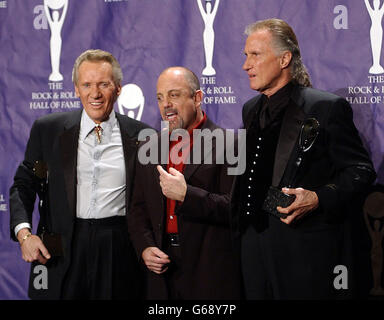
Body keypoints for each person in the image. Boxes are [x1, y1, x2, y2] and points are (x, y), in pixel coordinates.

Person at [231, 18, 377, 299]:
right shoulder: (250, 109)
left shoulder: (324, 107)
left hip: (302, 250)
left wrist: (319, 197)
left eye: (255, 55)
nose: (246, 65)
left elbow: (360, 171)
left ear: (284, 58)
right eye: (245, 55)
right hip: (253, 247)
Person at [9, 49, 150, 299]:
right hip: (59, 246)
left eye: (103, 84)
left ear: (118, 89)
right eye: (86, 84)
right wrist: (25, 234)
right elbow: (24, 184)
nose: (94, 94)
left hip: (117, 247)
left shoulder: (142, 136)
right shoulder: (48, 130)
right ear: (76, 89)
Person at [128, 66, 242, 299]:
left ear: (197, 98)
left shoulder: (230, 144)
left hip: (209, 271)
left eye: (174, 95)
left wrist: (186, 195)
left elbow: (236, 208)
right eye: (160, 97)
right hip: (161, 272)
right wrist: (145, 247)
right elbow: (137, 209)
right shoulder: (148, 147)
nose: (165, 104)